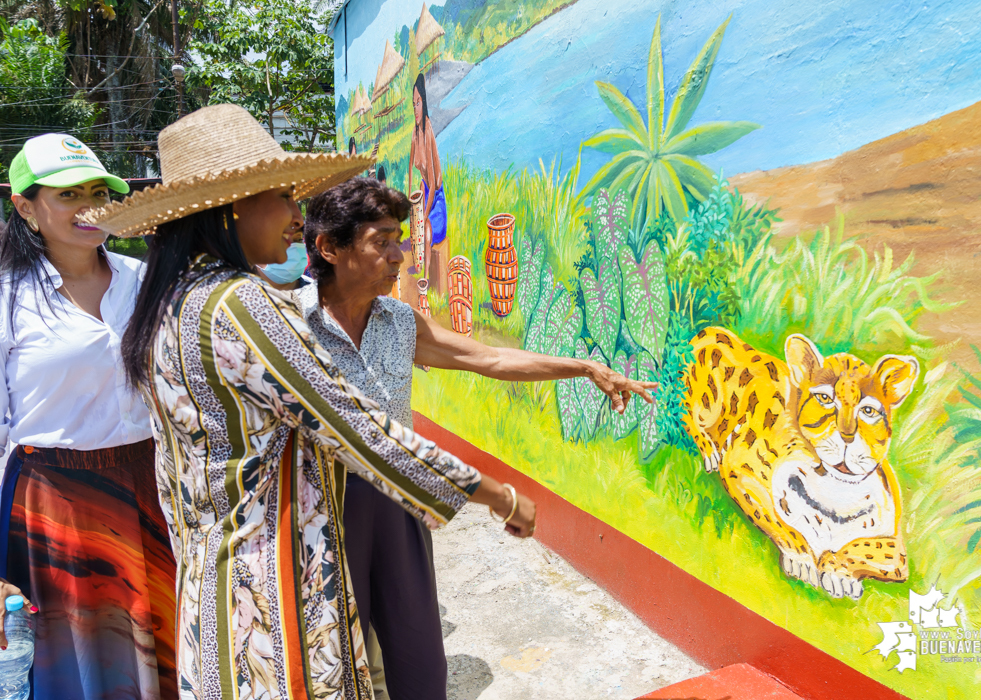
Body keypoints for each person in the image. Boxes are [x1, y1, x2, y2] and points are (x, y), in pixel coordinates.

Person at [82, 103, 537, 699]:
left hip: (213, 591)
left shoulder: (170, 301)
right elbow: (357, 427)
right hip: (272, 597)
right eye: (283, 197)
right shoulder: (241, 304)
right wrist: (496, 494)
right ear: (233, 205)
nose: (297, 217)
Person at [299, 178, 657, 700]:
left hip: (402, 502)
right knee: (335, 662)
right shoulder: (291, 324)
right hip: (322, 510)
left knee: (417, 659)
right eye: (382, 241)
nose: (399, 255)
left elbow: (486, 358)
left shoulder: (401, 322)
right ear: (330, 247)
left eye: (400, 239)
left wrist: (582, 367)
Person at [0, 134, 177, 698]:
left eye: (99, 192)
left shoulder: (147, 281)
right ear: (25, 207)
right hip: (52, 504)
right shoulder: (8, 298)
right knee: (79, 668)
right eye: (68, 194)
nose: (90, 206)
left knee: (170, 648)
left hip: (154, 487)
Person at [407, 73, 447, 295]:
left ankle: (424, 281)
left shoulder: (428, 128)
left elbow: (432, 182)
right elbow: (413, 171)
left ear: (424, 102)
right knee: (415, 226)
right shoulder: (415, 132)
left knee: (427, 229)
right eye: (413, 104)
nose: (415, 108)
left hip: (437, 197)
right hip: (425, 191)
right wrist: (412, 195)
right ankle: (419, 266)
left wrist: (423, 215)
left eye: (418, 103)